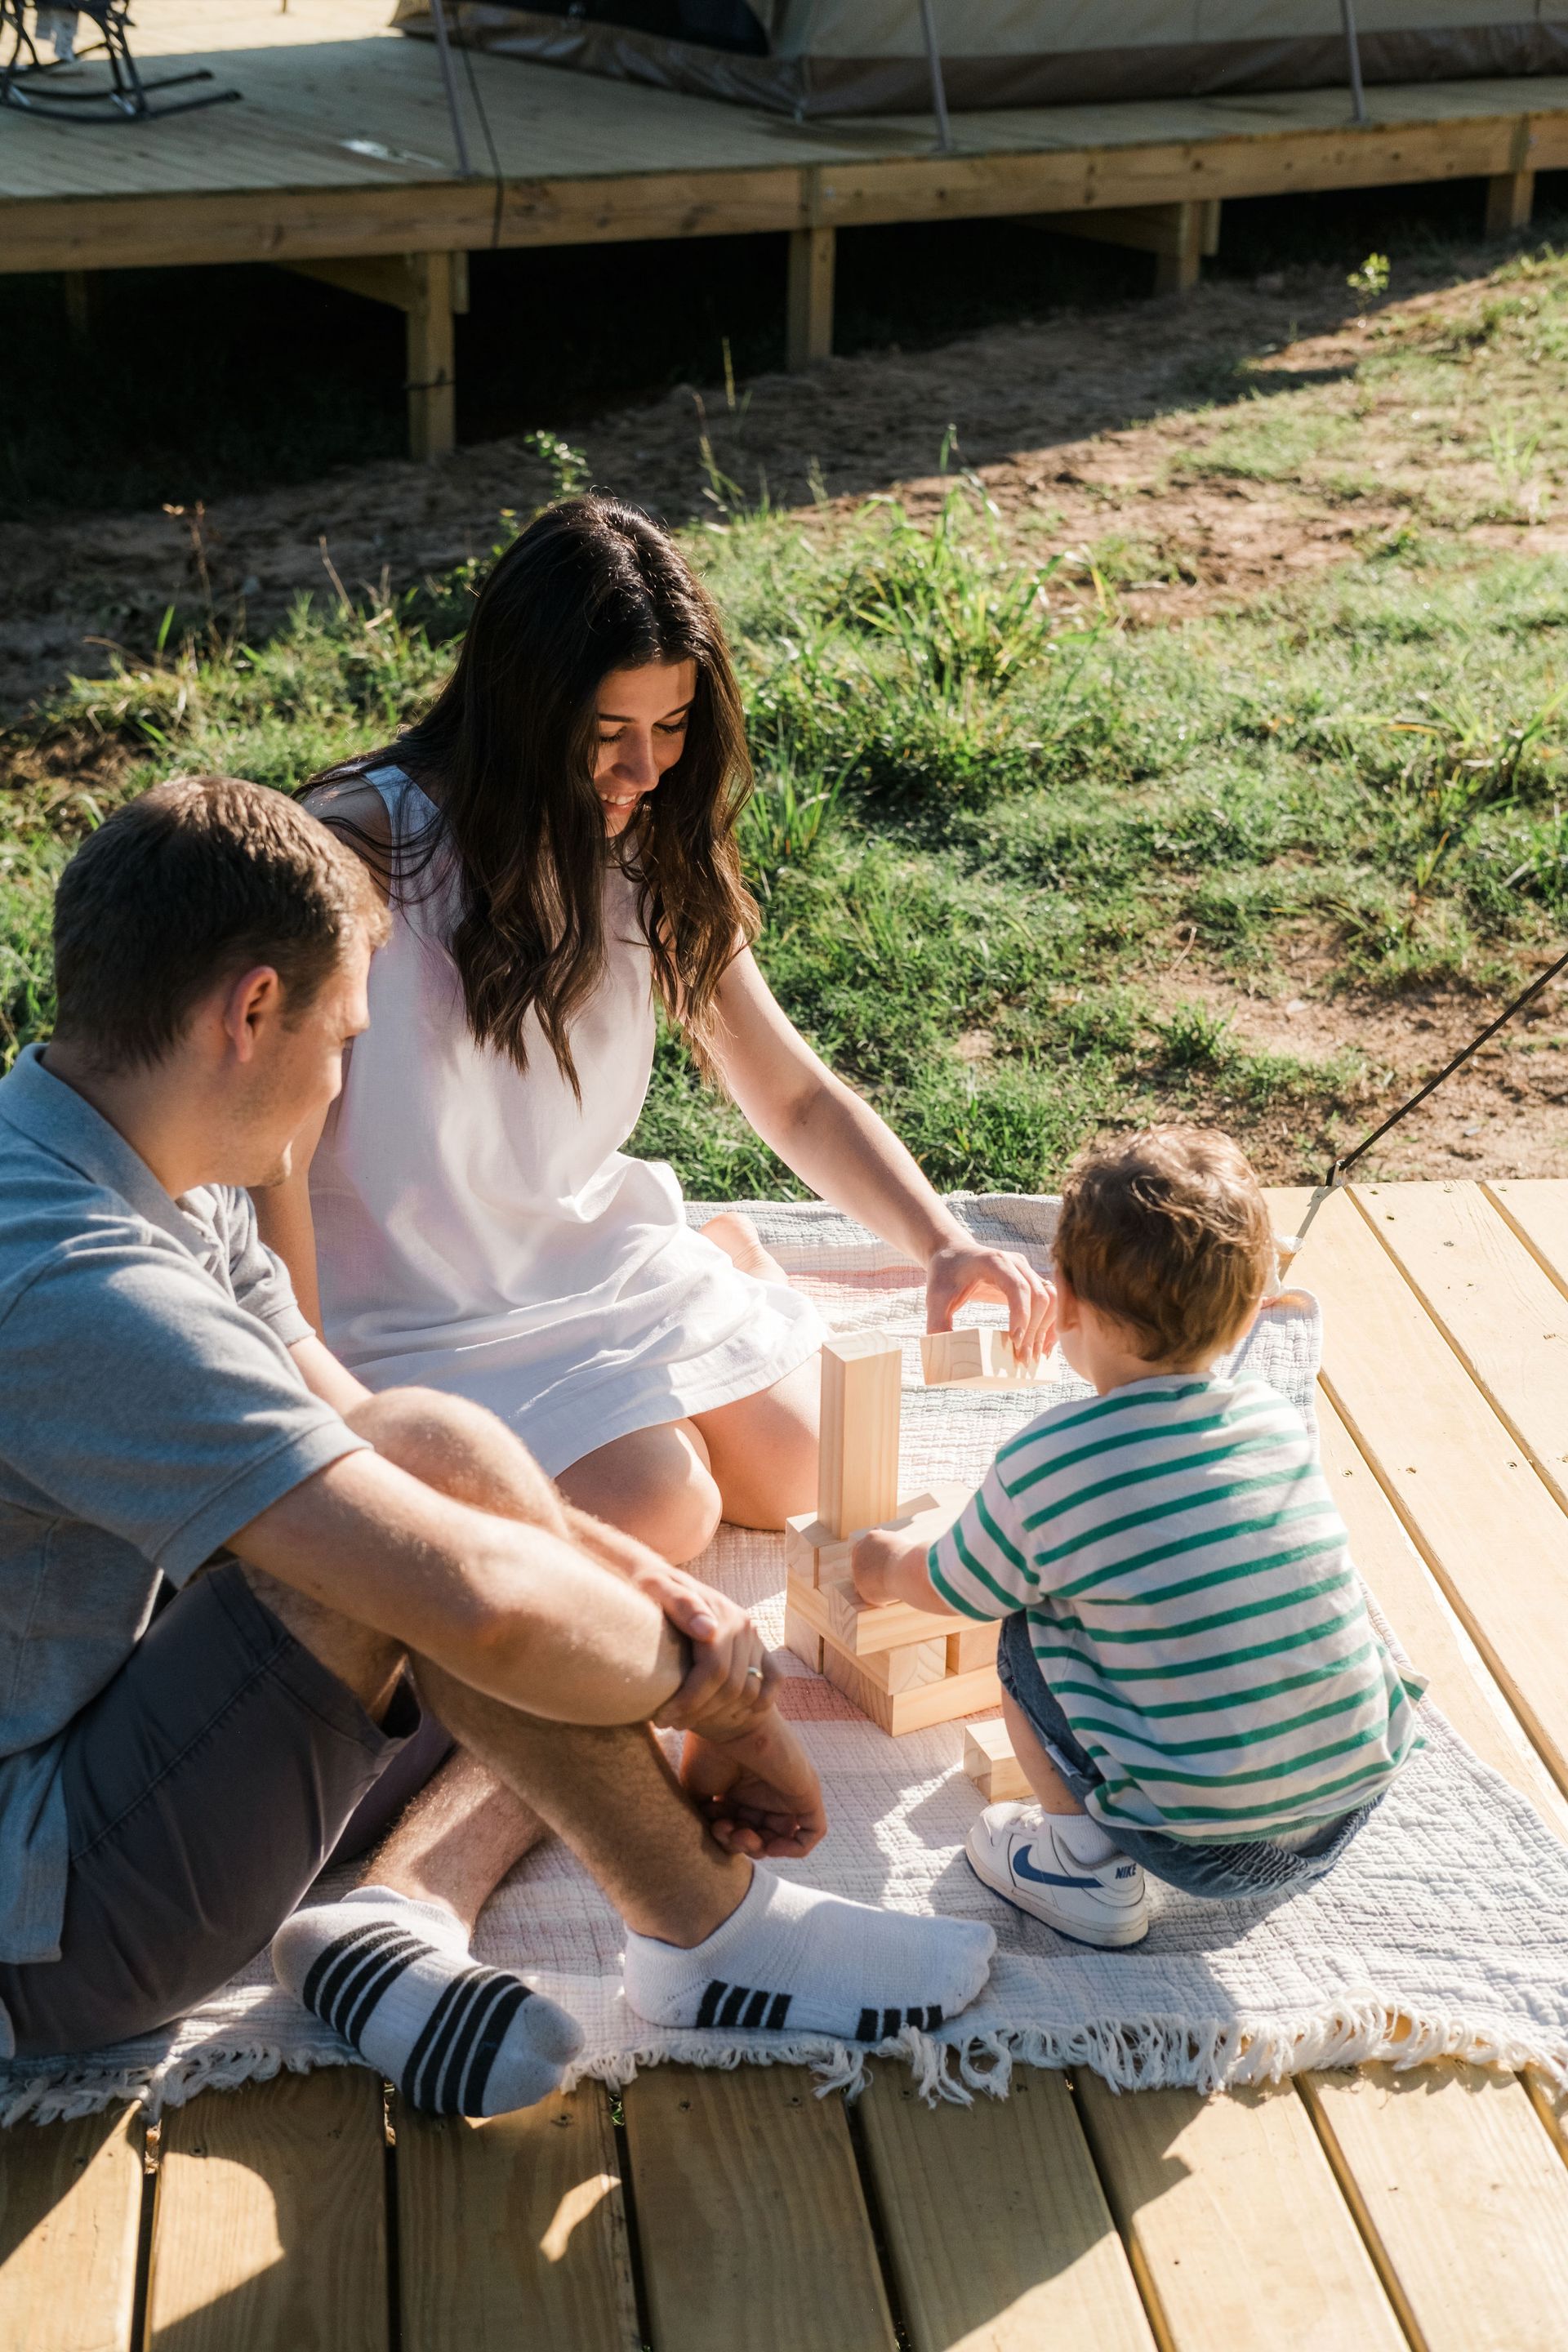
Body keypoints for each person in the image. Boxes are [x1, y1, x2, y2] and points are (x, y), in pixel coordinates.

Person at [0, 777, 995, 2104]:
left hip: (77, 1769)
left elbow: (363, 1435)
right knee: (438, 1566)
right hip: (42, 1929)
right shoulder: (73, 1285)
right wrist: (723, 1699)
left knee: (430, 1455)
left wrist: (663, 1597)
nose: (344, 1078)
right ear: (249, 1012)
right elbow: (477, 1605)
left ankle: (659, 1930)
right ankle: (713, 1930)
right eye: (342, 1036)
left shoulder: (132, 1155)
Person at [256, 495, 1054, 1570]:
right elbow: (270, 1148)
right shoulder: (363, 846)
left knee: (810, 1476)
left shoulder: (646, 843)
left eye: (672, 729)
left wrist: (945, 1243)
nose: (645, 772)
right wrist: (312, 1390)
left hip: (587, 1258)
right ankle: (681, 1342)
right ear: (524, 711)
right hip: (406, 1310)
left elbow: (795, 1092)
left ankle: (712, 1268)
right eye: (607, 735)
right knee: (662, 1508)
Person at [851, 1127, 1425, 1950]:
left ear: (1066, 1297)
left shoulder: (1051, 1463)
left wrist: (877, 1563)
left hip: (1200, 1846)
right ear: (1248, 1317)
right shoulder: (1272, 1418)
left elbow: (953, 1587)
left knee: (1025, 1623)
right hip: (1345, 1809)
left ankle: (1080, 1867)